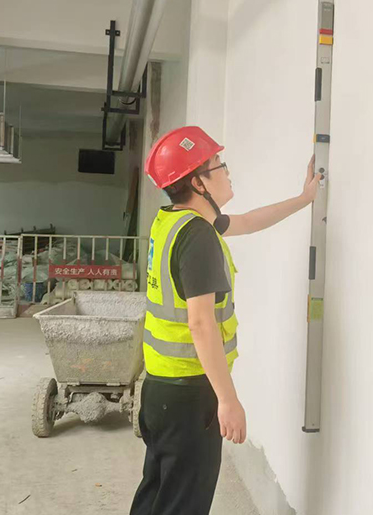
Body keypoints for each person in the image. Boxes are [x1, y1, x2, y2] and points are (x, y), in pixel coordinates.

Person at [130, 125, 321, 515]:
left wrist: (305, 198)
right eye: (218, 163)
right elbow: (201, 325)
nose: (227, 171)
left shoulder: (174, 222)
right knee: (183, 504)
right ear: (198, 182)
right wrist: (228, 400)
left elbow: (247, 221)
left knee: (158, 495)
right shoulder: (197, 237)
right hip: (190, 396)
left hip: (161, 390)